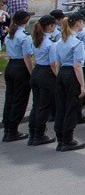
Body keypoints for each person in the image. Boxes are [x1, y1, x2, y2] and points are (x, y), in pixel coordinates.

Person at [51, 12, 85, 151]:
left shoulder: (60, 41)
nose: (83, 24)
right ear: (77, 23)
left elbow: (57, 63)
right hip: (72, 74)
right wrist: (82, 85)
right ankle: (68, 139)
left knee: (61, 106)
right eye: (82, 21)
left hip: (62, 74)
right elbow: (77, 66)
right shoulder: (77, 42)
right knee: (71, 107)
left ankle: (60, 137)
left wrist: (61, 77)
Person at [3, 10, 34, 141]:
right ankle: (12, 131)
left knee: (10, 98)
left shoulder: (10, 34)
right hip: (21, 68)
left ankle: (7, 127)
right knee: (19, 100)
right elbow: (27, 57)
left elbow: (9, 54)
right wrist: (31, 73)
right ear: (26, 20)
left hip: (11, 67)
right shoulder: (25, 36)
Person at [28, 14, 57, 146]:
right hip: (46, 74)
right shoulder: (50, 43)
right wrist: (58, 76)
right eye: (54, 25)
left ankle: (33, 133)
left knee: (36, 105)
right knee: (44, 106)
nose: (55, 27)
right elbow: (53, 64)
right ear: (50, 26)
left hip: (37, 71)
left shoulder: (36, 39)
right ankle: (39, 135)